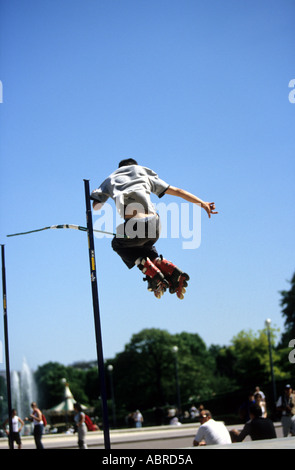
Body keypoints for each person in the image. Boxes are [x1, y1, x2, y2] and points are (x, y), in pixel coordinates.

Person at [91, 159, 217, 299]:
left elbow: (96, 207)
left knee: (117, 244)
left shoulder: (111, 179)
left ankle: (147, 267)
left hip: (134, 226)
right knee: (144, 244)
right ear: (135, 166)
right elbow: (178, 191)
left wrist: (95, 196)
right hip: (155, 225)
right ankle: (159, 262)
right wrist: (202, 203)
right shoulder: (144, 175)